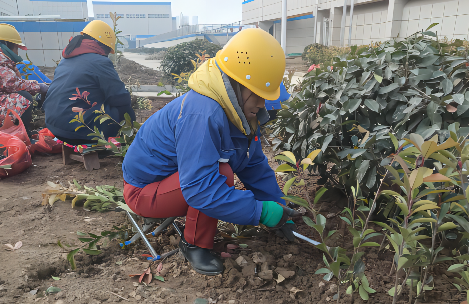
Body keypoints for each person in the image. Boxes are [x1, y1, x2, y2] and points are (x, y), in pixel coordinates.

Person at [122, 29, 297, 276]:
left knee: (220, 171)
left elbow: (254, 166)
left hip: (172, 183)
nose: (262, 104)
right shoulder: (203, 113)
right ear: (238, 84)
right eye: (258, 95)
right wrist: (261, 212)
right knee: (220, 173)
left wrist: (279, 208)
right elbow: (200, 188)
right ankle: (193, 245)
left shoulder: (237, 113)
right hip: (145, 191)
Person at [42, 20, 134, 145]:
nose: (106, 55)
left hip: (55, 126)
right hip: (77, 132)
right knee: (123, 108)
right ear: (102, 45)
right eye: (107, 51)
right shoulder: (100, 61)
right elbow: (119, 97)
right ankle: (127, 140)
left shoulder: (66, 59)